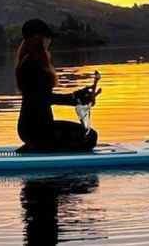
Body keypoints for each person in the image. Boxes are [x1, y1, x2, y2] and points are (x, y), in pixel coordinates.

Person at [15, 19, 100, 153]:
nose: (49, 41)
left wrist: (77, 96)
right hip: (36, 129)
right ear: (38, 38)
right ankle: (36, 148)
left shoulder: (31, 62)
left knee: (89, 136)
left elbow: (43, 97)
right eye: (47, 37)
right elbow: (44, 98)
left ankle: (38, 147)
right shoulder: (31, 64)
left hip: (36, 127)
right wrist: (75, 98)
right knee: (89, 137)